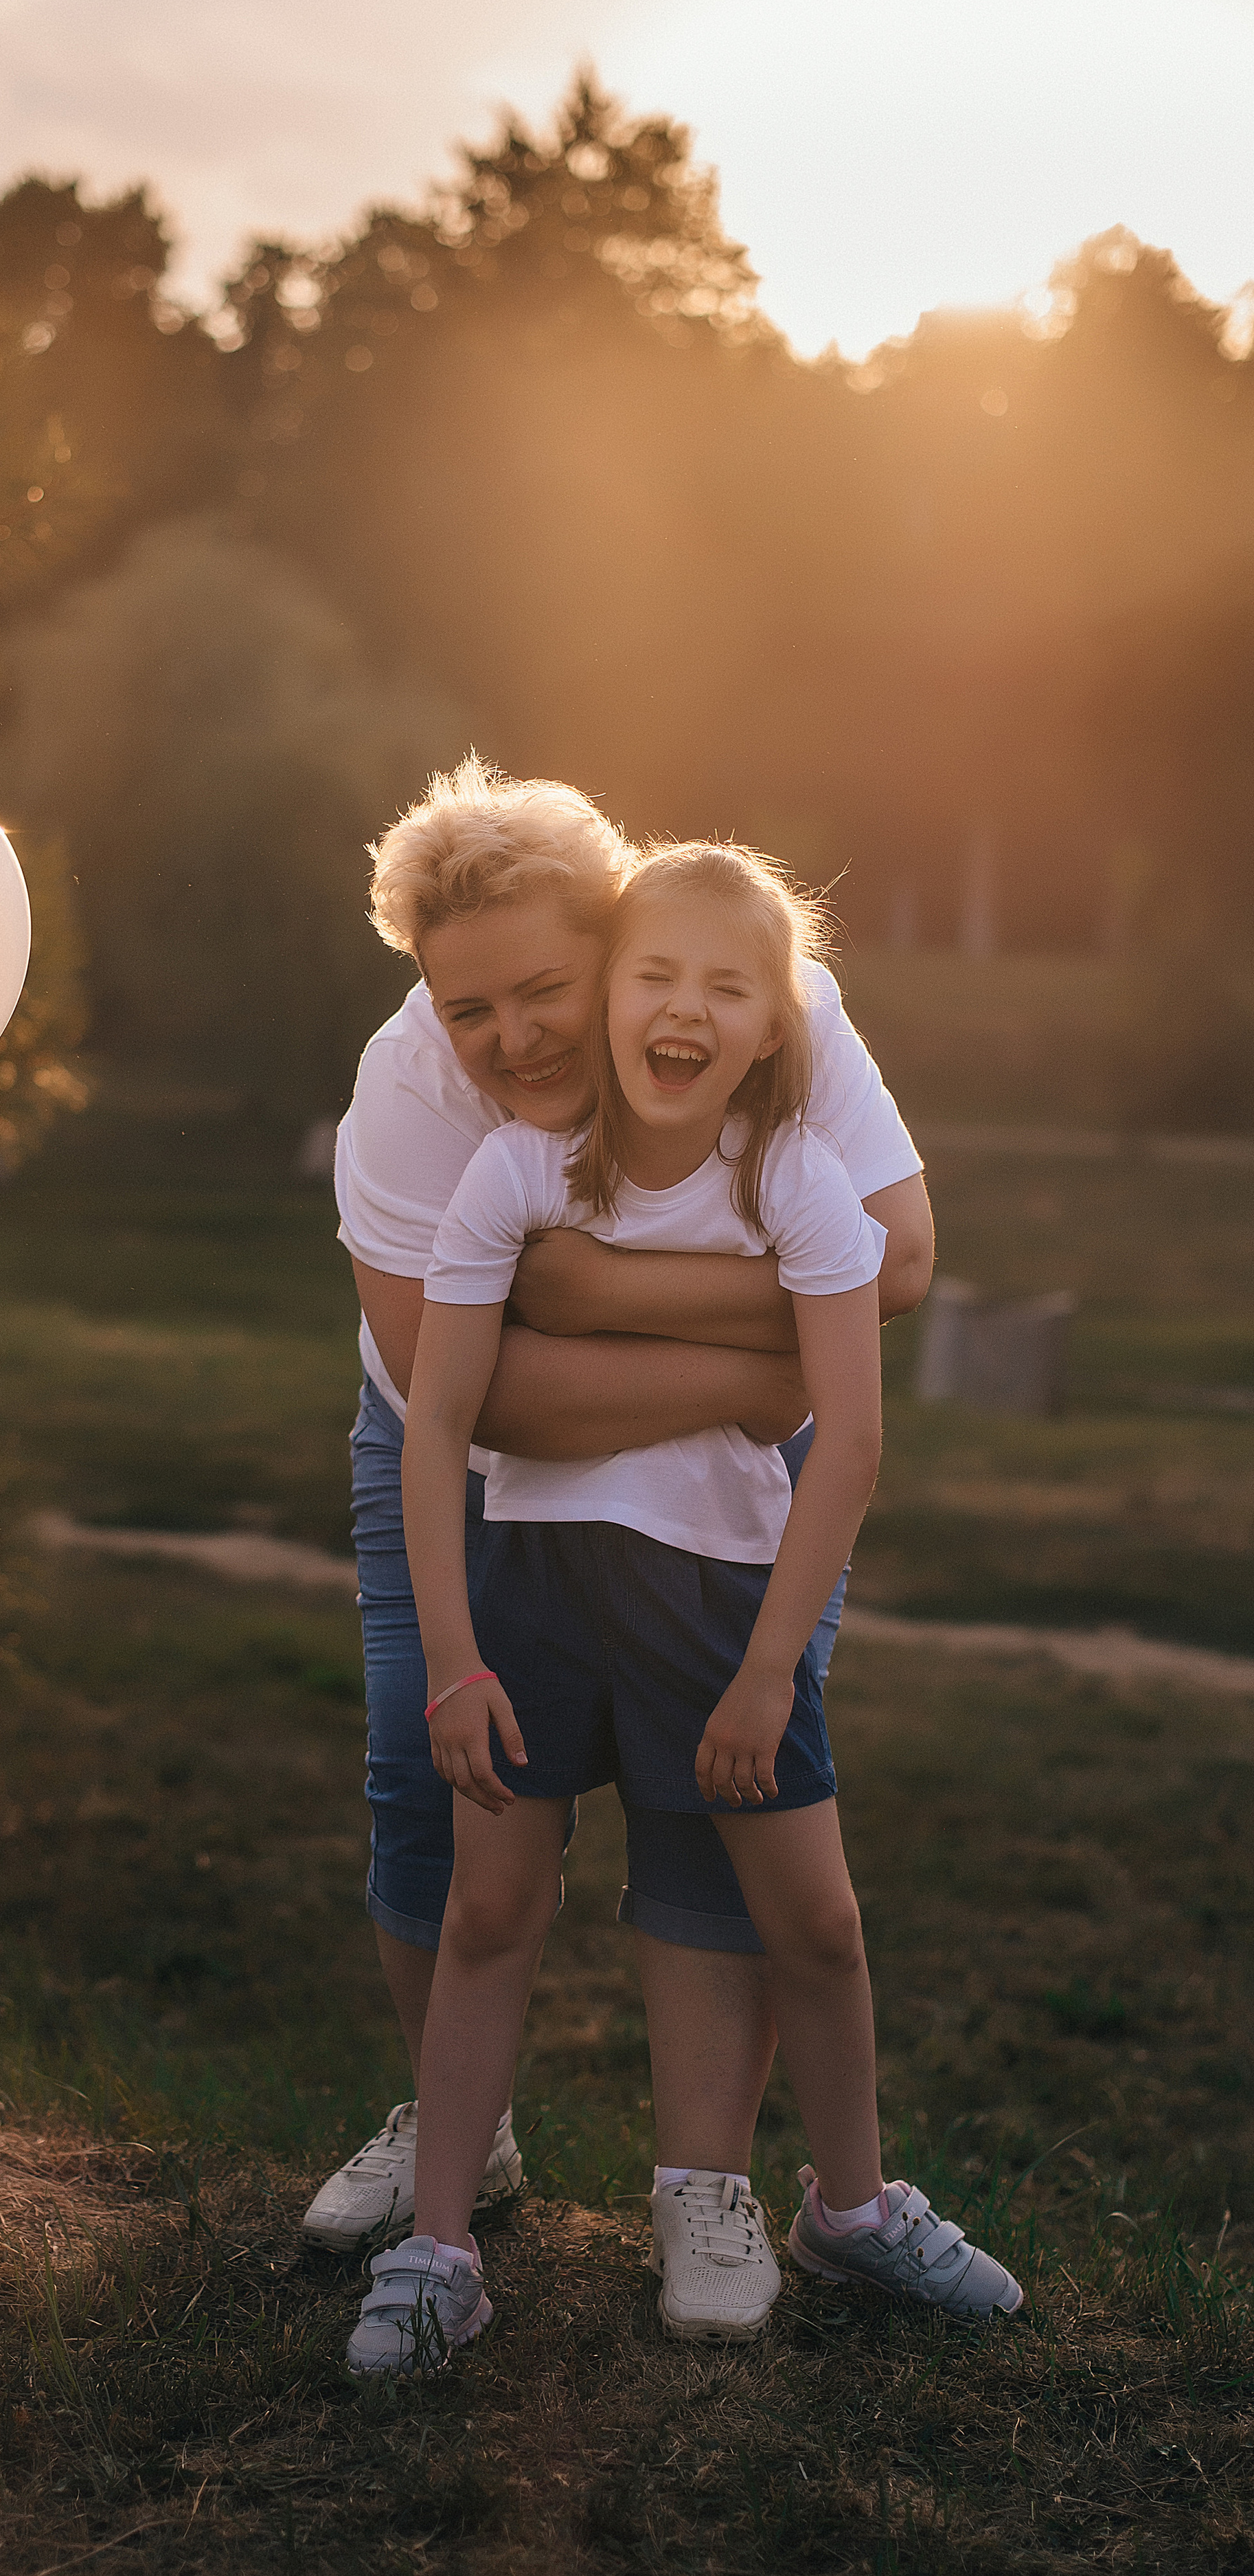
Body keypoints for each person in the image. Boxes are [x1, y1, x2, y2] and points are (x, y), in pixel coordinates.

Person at [346, 840, 1023, 2375]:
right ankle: (438, 2245)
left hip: (721, 1598)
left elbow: (846, 1431)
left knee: (814, 1919)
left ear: (776, 1021)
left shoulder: (793, 1175)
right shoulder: (504, 1166)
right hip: (525, 1587)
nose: (678, 1010)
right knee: (489, 1907)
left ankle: (837, 2211)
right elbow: (441, 1419)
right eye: (654, 979)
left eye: (721, 990)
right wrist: (452, 1659)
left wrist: (770, 1668)